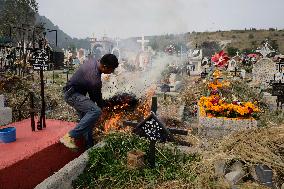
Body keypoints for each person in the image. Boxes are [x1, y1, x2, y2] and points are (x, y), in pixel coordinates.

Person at [60, 54, 119, 150]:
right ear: (105, 67)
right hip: (72, 95)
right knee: (95, 111)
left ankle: (89, 148)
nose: (112, 72)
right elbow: (96, 98)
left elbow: (93, 95)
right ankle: (70, 136)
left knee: (87, 120)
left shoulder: (95, 62)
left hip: (76, 93)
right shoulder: (94, 77)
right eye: (111, 70)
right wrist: (103, 106)